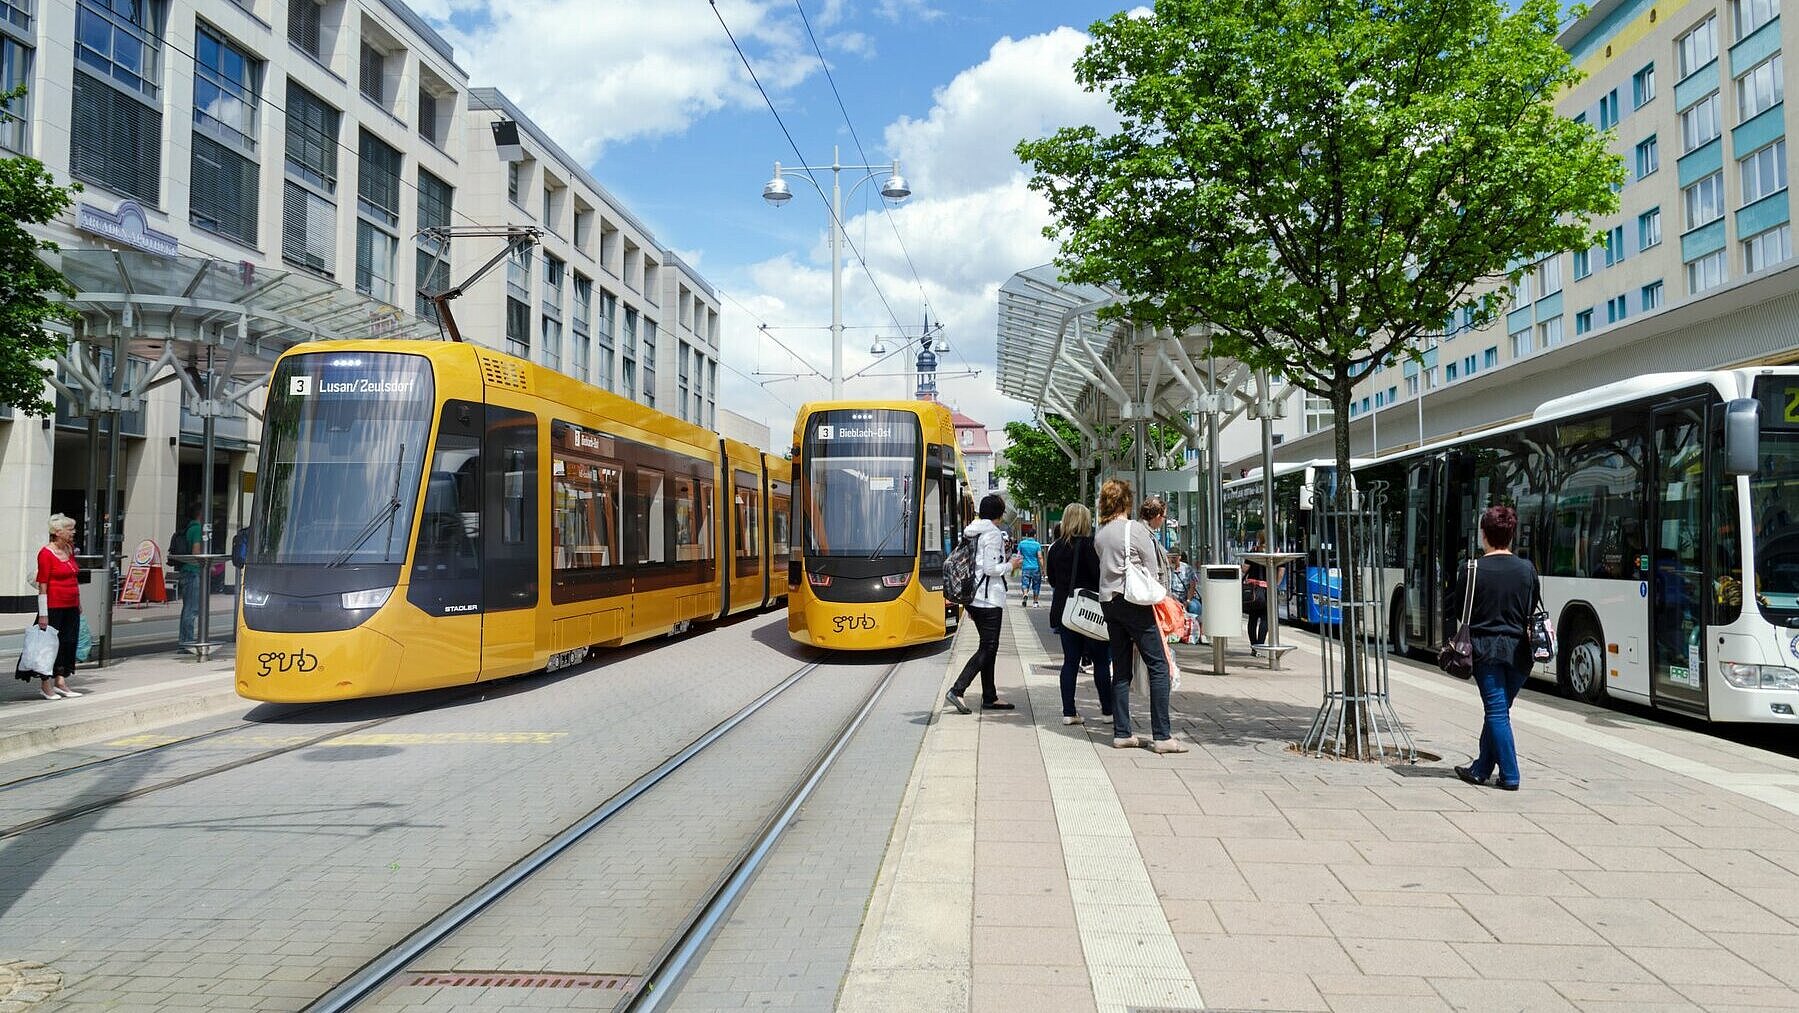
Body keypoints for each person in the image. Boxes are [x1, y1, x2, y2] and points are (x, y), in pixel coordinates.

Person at [1451, 505, 1541, 792]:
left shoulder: (1472, 569)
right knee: (1499, 710)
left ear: (1483, 535)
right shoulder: (1527, 569)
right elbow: (1531, 606)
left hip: (1485, 650)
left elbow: (1457, 609)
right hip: (1520, 653)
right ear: (1511, 535)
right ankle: (1480, 769)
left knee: (1497, 713)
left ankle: (1511, 775)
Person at [1096, 480, 1186, 754]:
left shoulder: (1100, 533)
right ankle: (1162, 736)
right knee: (1159, 665)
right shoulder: (1134, 529)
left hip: (1109, 603)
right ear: (1127, 502)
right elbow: (1152, 568)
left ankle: (1122, 732)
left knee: (1121, 668)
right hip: (1134, 602)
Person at [945, 494, 1017, 714]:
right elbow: (990, 568)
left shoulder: (972, 530)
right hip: (988, 598)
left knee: (989, 646)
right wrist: (1011, 564)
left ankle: (989, 696)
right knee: (989, 646)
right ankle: (958, 690)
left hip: (973, 597)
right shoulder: (993, 534)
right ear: (999, 514)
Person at [1046, 502, 1112, 726]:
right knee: (1101, 661)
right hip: (1091, 612)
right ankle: (1107, 711)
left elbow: (1053, 580)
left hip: (1067, 611)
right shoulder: (1092, 546)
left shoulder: (1055, 548)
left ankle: (1069, 712)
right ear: (1086, 521)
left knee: (1070, 662)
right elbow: (1099, 578)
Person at [28, 514, 84, 699]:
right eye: (70, 529)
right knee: (47, 645)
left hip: (71, 605)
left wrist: (79, 603)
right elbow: (43, 584)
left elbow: (73, 578)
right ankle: (45, 684)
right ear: (58, 532)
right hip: (53, 606)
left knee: (68, 642)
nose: (73, 532)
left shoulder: (69, 549)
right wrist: (43, 613)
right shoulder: (46, 553)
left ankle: (60, 680)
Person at [1241, 533, 1284, 650]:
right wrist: (1275, 585)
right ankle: (1260, 645)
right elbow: (1281, 571)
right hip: (1268, 591)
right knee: (1266, 619)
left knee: (1253, 619)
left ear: (1259, 539)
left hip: (1253, 591)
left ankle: (1254, 646)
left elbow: (1244, 569)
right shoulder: (1278, 552)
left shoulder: (1254, 551)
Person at [176, 507, 203, 653]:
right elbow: (196, 552)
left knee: (187, 608)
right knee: (192, 610)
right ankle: (187, 642)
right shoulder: (197, 528)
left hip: (185, 572)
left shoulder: (188, 528)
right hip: (193, 572)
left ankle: (184, 640)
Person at [1166, 549, 1202, 644]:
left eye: (1175, 557)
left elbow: (1192, 585)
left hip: (1186, 597)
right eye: (1171, 558)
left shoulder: (1187, 568)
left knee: (1194, 606)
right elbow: (1167, 588)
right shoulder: (1167, 570)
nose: (1173, 560)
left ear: (1179, 557)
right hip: (1173, 598)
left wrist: (1188, 600)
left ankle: (1194, 632)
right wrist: (1174, 601)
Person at [1016, 526, 1045, 609]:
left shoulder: (1022, 543)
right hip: (1035, 567)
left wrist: (1017, 566)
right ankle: (1035, 602)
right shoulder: (1037, 544)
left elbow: (1018, 555)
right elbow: (1040, 557)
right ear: (1035, 535)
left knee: (1025, 583)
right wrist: (1043, 568)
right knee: (1036, 585)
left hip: (1025, 567)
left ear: (1026, 534)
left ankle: (1025, 594)